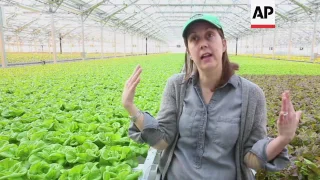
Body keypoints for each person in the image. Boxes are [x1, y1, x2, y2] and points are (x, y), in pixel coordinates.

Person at [122, 14, 302, 180]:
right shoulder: (176, 86)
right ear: (189, 51)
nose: (203, 43)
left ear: (223, 44)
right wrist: (131, 107)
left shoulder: (252, 94)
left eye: (210, 35)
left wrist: (282, 139)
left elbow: (250, 159)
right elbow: (162, 142)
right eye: (194, 39)